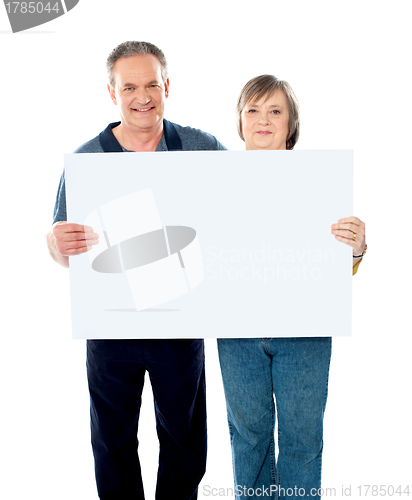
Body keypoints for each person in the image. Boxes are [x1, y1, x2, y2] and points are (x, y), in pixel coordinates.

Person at [46, 41, 226, 500]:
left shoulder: (200, 148)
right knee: (112, 440)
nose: (141, 96)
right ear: (112, 93)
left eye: (151, 84)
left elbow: (252, 196)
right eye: (129, 86)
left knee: (186, 441)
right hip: (111, 327)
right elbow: (64, 246)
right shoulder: (86, 159)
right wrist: (52, 243)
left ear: (166, 86)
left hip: (180, 323)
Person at [217, 75, 366, 500]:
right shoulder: (213, 180)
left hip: (305, 333)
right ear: (241, 122)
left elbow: (329, 268)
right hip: (238, 332)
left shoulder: (320, 180)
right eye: (253, 110)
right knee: (249, 440)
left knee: (302, 441)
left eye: (275, 111)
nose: (263, 119)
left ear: (291, 123)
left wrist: (355, 250)